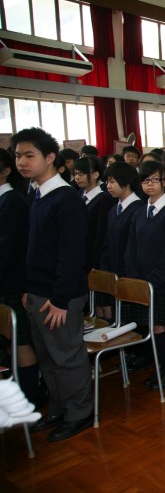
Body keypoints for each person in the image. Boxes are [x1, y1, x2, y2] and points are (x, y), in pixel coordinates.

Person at [13, 127, 93, 442]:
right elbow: (36, 249)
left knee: (67, 357)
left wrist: (61, 299)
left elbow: (72, 255)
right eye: (18, 156)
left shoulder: (66, 199)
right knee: (47, 357)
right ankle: (59, 409)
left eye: (29, 155)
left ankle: (80, 413)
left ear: (49, 158)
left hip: (60, 297)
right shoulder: (37, 195)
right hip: (37, 292)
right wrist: (28, 288)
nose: (22, 162)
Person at [123, 160, 165, 391]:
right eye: (145, 180)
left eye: (154, 180)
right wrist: (136, 279)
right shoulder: (140, 212)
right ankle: (162, 368)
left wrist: (151, 280)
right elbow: (131, 248)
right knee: (156, 327)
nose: (149, 185)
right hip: (145, 284)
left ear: (164, 182)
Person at [0, 149, 41, 407]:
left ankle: (30, 398)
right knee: (9, 342)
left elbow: (8, 248)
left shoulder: (12, 200)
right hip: (7, 282)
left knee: (21, 342)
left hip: (12, 282)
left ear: (5, 171)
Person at [73, 156, 116, 273]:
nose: (77, 177)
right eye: (75, 173)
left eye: (81, 173)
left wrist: (95, 262)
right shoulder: (79, 194)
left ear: (95, 174)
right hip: (78, 255)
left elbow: (101, 234)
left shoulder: (103, 199)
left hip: (91, 260)